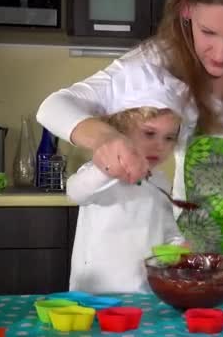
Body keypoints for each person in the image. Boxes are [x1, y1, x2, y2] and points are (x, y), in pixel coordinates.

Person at [38, 0, 223, 291]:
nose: (221, 53)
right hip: (202, 250)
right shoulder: (155, 62)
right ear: (186, 8)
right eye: (208, 32)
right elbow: (53, 106)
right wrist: (105, 137)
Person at [65, 65, 187, 294]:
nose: (160, 145)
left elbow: (168, 229)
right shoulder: (100, 171)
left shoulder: (159, 181)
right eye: (149, 133)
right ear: (120, 131)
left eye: (169, 137)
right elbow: (75, 191)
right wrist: (109, 167)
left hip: (146, 291)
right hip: (95, 292)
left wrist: (179, 246)